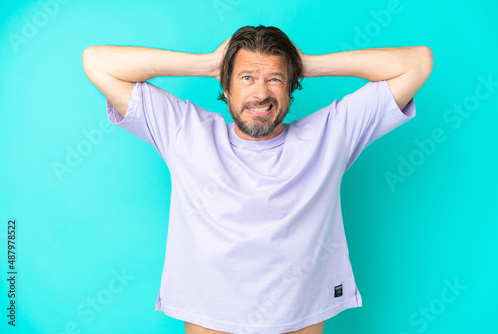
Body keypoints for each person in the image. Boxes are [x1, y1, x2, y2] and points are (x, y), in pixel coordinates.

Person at [82, 25, 433, 334]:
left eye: (275, 79)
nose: (261, 92)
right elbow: (97, 63)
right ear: (227, 85)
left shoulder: (332, 132)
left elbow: (418, 63)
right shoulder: (183, 129)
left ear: (291, 86)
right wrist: (207, 63)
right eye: (247, 77)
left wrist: (305, 64)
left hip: (299, 320)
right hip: (211, 322)